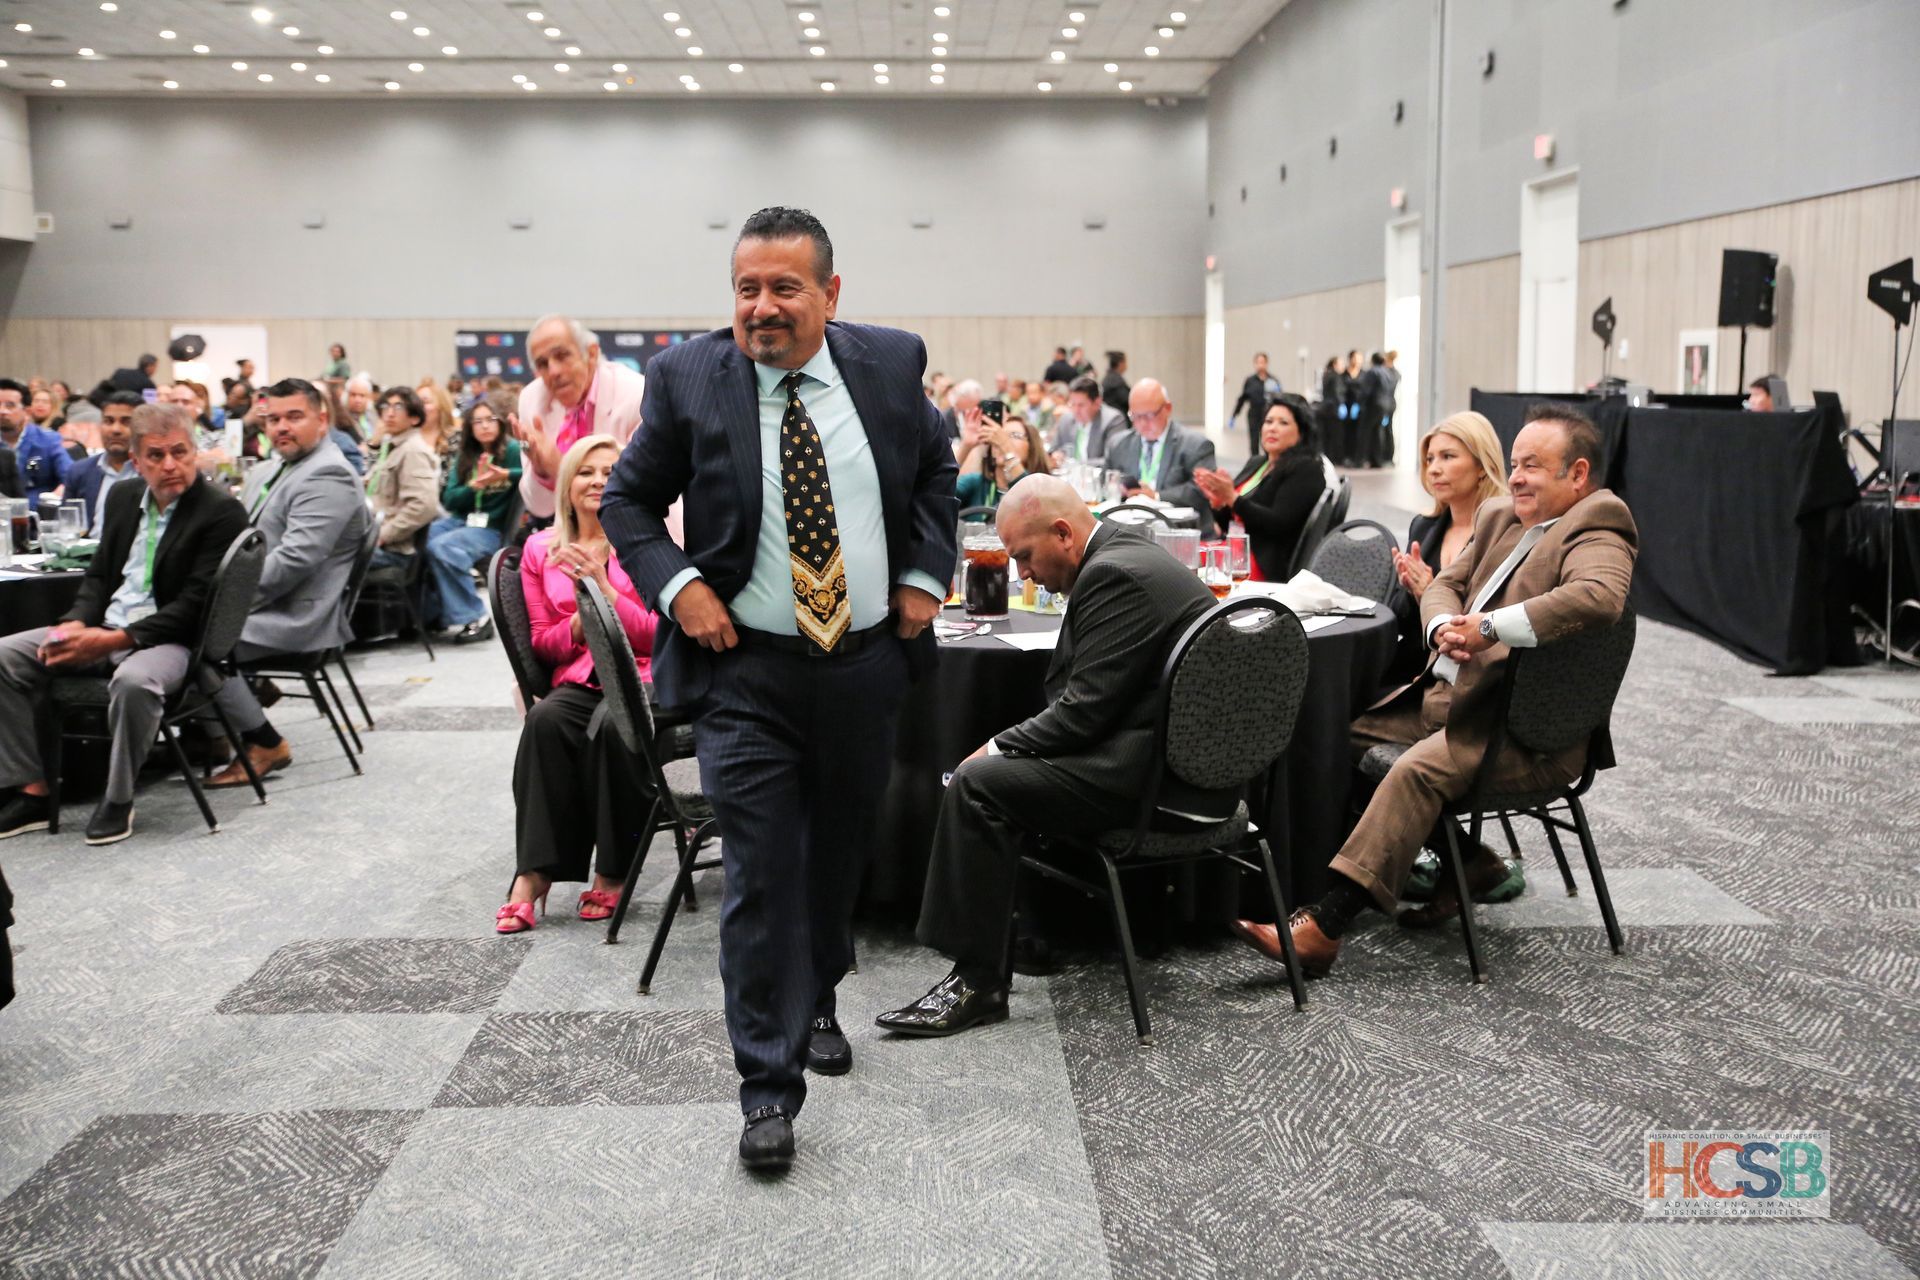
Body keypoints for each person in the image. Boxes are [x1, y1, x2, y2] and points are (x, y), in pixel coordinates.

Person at [600, 206, 957, 1172]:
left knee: (838, 854)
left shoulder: (889, 365)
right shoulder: (687, 378)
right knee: (760, 874)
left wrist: (927, 574)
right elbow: (625, 502)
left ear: (831, 296)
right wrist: (680, 590)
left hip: (864, 664)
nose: (761, 307)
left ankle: (823, 995)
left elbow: (936, 469)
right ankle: (767, 1086)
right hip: (744, 673)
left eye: (784, 288)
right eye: (747, 288)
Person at [1228, 404, 1638, 975]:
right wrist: (1442, 624)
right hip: (1451, 703)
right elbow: (1446, 583)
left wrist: (1488, 626)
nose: (1517, 476)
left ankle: (1325, 925)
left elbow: (1600, 597)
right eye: (1515, 464)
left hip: (1520, 734)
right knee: (1329, 733)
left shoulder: (1598, 524)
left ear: (1577, 474)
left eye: (1534, 467)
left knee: (1413, 772)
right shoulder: (1501, 517)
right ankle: (1465, 863)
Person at [876, 475, 1231, 1036]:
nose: (1021, 574)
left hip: (1156, 784)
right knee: (1006, 769)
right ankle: (1022, 933)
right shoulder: (1128, 550)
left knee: (976, 784)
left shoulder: (1115, 575)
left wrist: (988, 750)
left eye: (1023, 556)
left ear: (1063, 533)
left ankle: (978, 981)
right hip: (1183, 766)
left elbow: (1080, 715)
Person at [0, 403, 248, 845]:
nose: (171, 465)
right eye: (156, 455)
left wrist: (116, 639)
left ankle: (118, 797)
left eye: (180, 452)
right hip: (108, 625)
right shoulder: (121, 497)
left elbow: (194, 606)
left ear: (194, 452)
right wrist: (75, 623)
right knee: (6, 656)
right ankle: (33, 790)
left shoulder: (220, 512)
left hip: (172, 641)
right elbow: (99, 576)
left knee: (134, 681)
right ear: (136, 460)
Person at [498, 434, 658, 934]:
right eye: (587, 472)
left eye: (611, 471)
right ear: (567, 484)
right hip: (580, 676)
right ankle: (533, 874)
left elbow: (661, 634)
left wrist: (606, 595)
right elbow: (541, 647)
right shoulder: (541, 550)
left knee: (617, 726)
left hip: (644, 674)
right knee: (545, 721)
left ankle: (613, 871)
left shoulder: (647, 543)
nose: (598, 481)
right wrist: (576, 620)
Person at [202, 379, 370, 788]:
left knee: (192, 639)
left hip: (298, 613)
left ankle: (264, 742)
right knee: (163, 621)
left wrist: (220, 599)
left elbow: (295, 562)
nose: (281, 427)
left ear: (322, 419)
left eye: (294, 417)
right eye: (273, 418)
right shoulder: (274, 466)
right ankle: (209, 734)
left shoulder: (328, 472)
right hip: (271, 600)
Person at [1386, 411, 1510, 682]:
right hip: (1415, 665)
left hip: (1471, 677)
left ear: (1481, 466)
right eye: (1429, 459)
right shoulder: (1424, 526)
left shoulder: (1505, 532)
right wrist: (1412, 592)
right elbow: (1398, 617)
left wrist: (1431, 593)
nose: (1433, 469)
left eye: (1448, 456)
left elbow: (1492, 621)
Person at [514, 314, 645, 524]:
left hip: (638, 531)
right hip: (570, 535)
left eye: (562, 355)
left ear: (591, 353)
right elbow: (539, 507)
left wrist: (562, 470)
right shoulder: (532, 400)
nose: (554, 371)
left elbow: (641, 493)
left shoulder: (636, 395)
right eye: (543, 364)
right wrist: (541, 472)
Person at [1193, 392, 1324, 579]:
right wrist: (1219, 504)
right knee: (1179, 555)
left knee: (1183, 566)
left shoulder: (1306, 470)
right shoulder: (1257, 463)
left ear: (1301, 433)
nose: (1272, 428)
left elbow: (1278, 524)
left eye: (1283, 423)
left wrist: (1232, 498)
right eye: (1269, 421)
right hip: (1234, 553)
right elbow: (1232, 524)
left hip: (1262, 563)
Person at [425, 398, 523, 643]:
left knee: (444, 547)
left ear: (500, 423)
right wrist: (473, 487)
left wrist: (506, 475)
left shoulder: (511, 450)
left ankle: (476, 616)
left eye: (490, 420)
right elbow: (449, 499)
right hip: (462, 521)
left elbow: (533, 475)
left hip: (491, 527)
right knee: (419, 538)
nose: (485, 426)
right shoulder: (467, 455)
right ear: (470, 427)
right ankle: (431, 612)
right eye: (477, 421)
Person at [1104, 378, 1219, 534]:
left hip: (1181, 532)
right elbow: (1107, 484)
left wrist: (1156, 495)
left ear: (1167, 408)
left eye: (1150, 415)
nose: (1142, 423)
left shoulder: (1195, 445)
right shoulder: (1118, 444)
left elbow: (1199, 491)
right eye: (1136, 416)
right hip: (1131, 532)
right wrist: (1117, 488)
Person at [365, 386, 441, 570]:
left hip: (394, 550)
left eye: (398, 408)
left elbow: (424, 506)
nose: (389, 413)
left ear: (414, 418)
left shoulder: (412, 451)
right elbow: (369, 484)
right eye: (385, 407)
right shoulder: (393, 447)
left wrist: (383, 535)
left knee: (327, 562)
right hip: (373, 534)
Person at [61, 392, 142, 535]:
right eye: (109, 421)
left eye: (126, 422)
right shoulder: (80, 472)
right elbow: (67, 526)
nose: (115, 430)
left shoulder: (151, 472)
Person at [0, 377, 71, 508]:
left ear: (26, 411)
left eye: (10, 406)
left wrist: (57, 494)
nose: (2, 411)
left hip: (37, 511)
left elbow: (70, 477)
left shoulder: (47, 440)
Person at [957, 413, 1049, 509]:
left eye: (1014, 435)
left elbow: (1034, 500)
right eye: (999, 435)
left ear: (1032, 447)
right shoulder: (976, 483)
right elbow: (942, 494)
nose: (1000, 440)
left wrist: (1006, 447)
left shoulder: (1041, 486)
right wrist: (966, 446)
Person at [1049, 374, 1127, 465]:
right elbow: (1053, 450)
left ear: (1097, 403)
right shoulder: (1066, 420)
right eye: (1073, 404)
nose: (1076, 410)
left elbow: (1114, 460)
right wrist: (1056, 455)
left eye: (1081, 405)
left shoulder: (1113, 420)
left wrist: (1076, 464)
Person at [1232, 352, 1284, 457]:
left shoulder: (1273, 380)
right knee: (1254, 441)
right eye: (1258, 362)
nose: (1261, 365)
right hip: (1254, 415)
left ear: (1267, 363)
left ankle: (1268, 462)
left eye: (1263, 362)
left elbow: (1280, 399)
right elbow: (1243, 398)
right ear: (1255, 364)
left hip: (1267, 416)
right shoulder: (1250, 381)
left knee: (1267, 440)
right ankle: (1255, 463)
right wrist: (1234, 414)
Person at [415, 379, 459, 463]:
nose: (419, 408)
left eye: (425, 402)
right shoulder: (407, 440)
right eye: (416, 404)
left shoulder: (457, 438)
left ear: (441, 406)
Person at [939, 377, 982, 443]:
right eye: (970, 406)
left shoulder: (980, 416)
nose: (975, 410)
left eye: (977, 405)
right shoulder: (943, 419)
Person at [1100, 350, 1130, 415]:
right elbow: (1128, 400)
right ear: (1120, 363)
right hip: (1118, 418)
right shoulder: (1115, 381)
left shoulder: (1110, 377)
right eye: (1125, 362)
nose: (1126, 365)